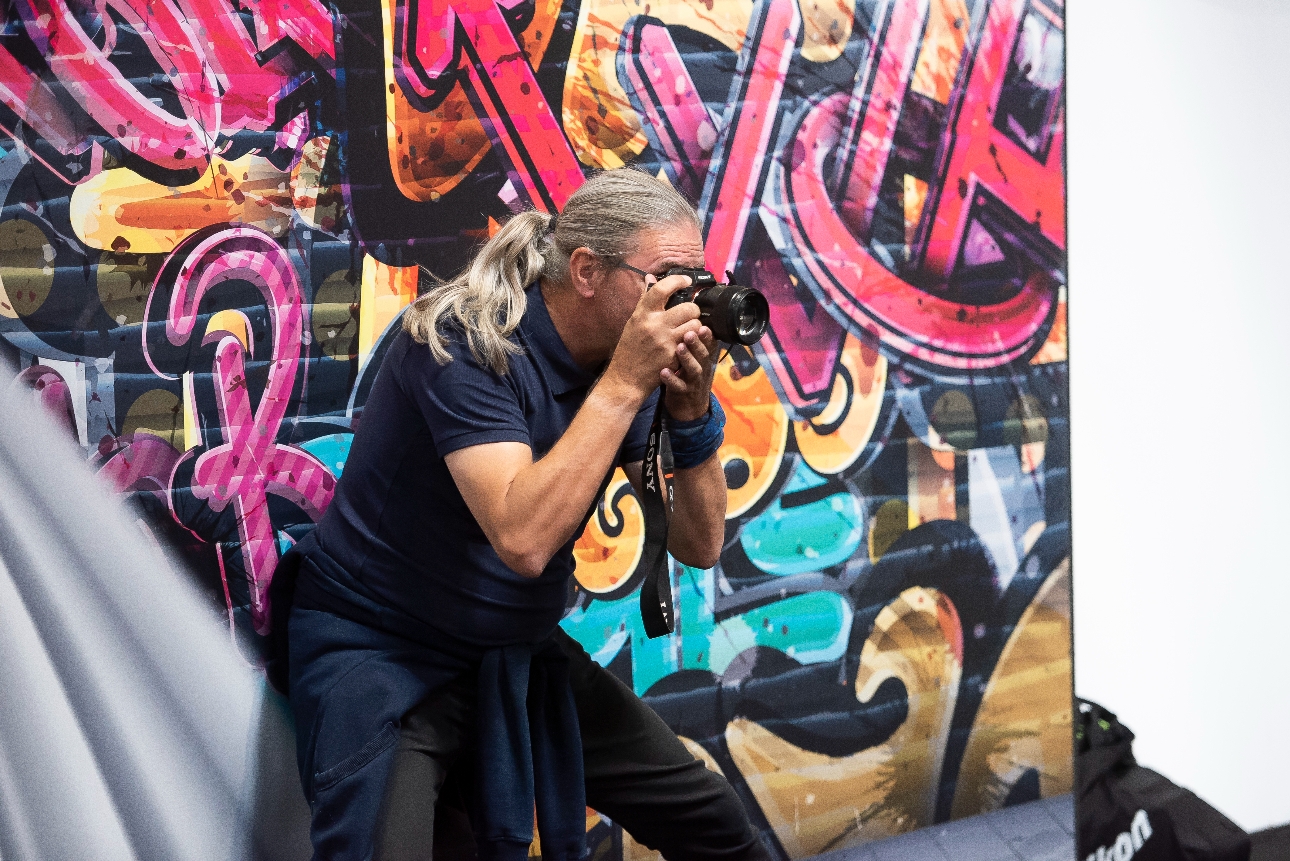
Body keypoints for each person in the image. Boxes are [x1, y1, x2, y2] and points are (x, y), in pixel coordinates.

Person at [279, 169, 771, 861]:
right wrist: (628, 381)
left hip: (512, 646)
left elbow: (700, 541)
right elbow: (523, 539)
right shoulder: (465, 343)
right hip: (383, 648)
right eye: (664, 280)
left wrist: (690, 417)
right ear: (587, 270)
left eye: (694, 280)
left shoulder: (620, 359)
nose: (682, 303)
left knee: (713, 820)